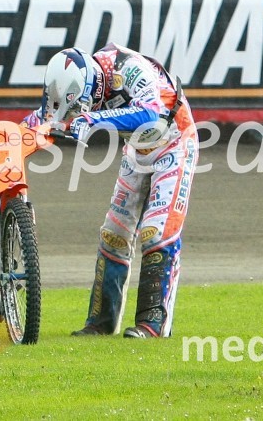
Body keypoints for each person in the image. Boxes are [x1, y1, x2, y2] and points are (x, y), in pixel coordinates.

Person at [24, 43, 198, 338]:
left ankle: (153, 325)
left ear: (91, 87)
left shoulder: (128, 68)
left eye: (82, 105)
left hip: (175, 142)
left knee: (156, 231)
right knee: (113, 233)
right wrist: (8, 138)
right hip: (138, 149)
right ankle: (101, 324)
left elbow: (152, 114)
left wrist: (92, 119)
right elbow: (44, 120)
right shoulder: (76, 86)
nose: (80, 111)